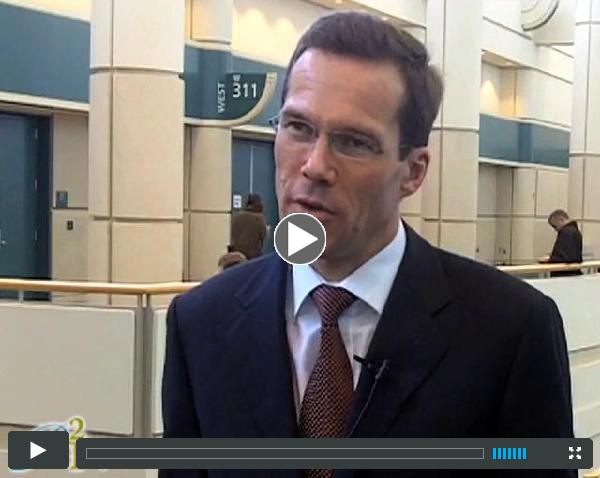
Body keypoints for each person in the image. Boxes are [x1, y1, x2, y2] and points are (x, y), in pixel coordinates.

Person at [161, 12, 574, 478]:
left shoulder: (511, 331)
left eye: (353, 142)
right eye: (298, 128)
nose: (315, 165)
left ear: (413, 171)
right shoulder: (202, 323)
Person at [545, 209, 583, 277]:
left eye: (554, 226)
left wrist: (549, 259)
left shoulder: (567, 233)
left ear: (561, 220)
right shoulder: (574, 231)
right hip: (571, 274)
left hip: (564, 274)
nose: (555, 229)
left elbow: (567, 258)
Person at [230, 193, 268, 260]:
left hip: (238, 256)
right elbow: (263, 235)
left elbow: (233, 235)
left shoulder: (237, 217)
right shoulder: (259, 218)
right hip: (254, 256)